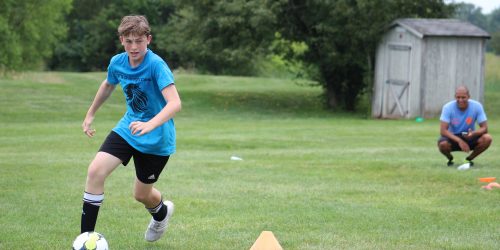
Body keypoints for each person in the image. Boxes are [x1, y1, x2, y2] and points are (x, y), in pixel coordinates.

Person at [79, 15, 181, 242]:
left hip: (157, 139)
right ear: (121, 40)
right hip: (128, 129)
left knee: (141, 195)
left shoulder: (156, 65)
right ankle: (85, 239)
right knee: (95, 171)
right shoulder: (117, 62)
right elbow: (108, 84)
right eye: (129, 41)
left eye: (139, 41)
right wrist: (90, 114)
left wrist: (150, 124)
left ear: (149, 40)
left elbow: (175, 103)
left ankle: (161, 213)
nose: (134, 47)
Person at [437, 86, 492, 167]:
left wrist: (473, 133)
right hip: (453, 136)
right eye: (458, 97)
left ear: (468, 97)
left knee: (487, 138)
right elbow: (443, 131)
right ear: (455, 97)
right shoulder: (447, 107)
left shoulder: (477, 106)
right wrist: (459, 141)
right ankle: (450, 159)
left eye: (463, 97)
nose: (460, 100)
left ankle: (468, 159)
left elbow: (485, 128)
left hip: (469, 135)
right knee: (443, 145)